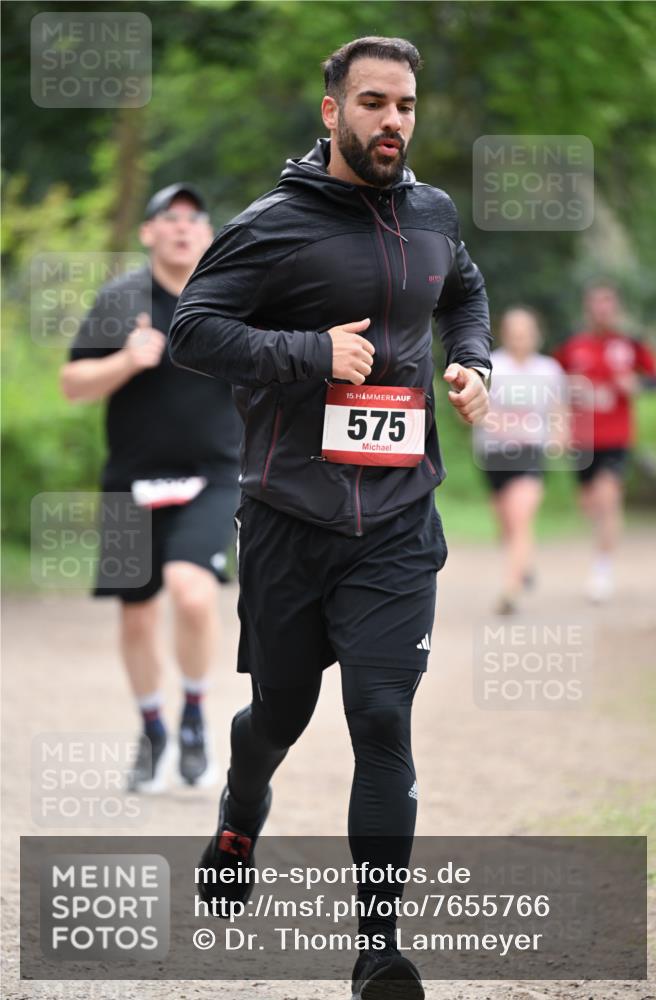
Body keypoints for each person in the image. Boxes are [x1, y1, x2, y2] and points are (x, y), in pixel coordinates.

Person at [170, 38, 491, 999]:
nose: (391, 122)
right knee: (280, 711)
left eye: (404, 106)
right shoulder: (273, 224)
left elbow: (463, 292)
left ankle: (378, 949)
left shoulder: (432, 214)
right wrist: (311, 352)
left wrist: (473, 361)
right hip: (288, 517)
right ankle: (239, 807)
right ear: (331, 113)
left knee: (381, 714)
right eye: (372, 103)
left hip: (397, 518)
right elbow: (193, 331)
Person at [60, 184, 243, 791]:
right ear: (149, 233)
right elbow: (72, 385)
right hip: (130, 481)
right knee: (136, 617)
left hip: (213, 476)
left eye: (195, 218)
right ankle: (153, 730)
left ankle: (193, 714)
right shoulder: (122, 299)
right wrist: (127, 361)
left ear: (209, 233)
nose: (183, 228)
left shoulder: (229, 298)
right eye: (171, 218)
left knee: (191, 593)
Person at [554, 282, 656, 602]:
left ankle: (602, 570)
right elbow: (553, 385)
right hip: (582, 439)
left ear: (616, 308)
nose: (602, 310)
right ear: (588, 309)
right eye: (596, 304)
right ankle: (602, 545)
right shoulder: (572, 347)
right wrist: (558, 424)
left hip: (616, 437)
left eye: (607, 304)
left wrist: (636, 385)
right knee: (590, 504)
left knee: (608, 498)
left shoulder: (630, 345)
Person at [475, 307, 568, 614]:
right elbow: (477, 409)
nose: (520, 338)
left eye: (526, 331)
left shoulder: (549, 369)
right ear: (505, 334)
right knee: (506, 525)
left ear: (536, 334)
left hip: (530, 453)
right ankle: (523, 563)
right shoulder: (492, 366)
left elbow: (558, 409)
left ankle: (510, 591)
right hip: (494, 456)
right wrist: (497, 424)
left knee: (520, 518)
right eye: (514, 332)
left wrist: (559, 435)